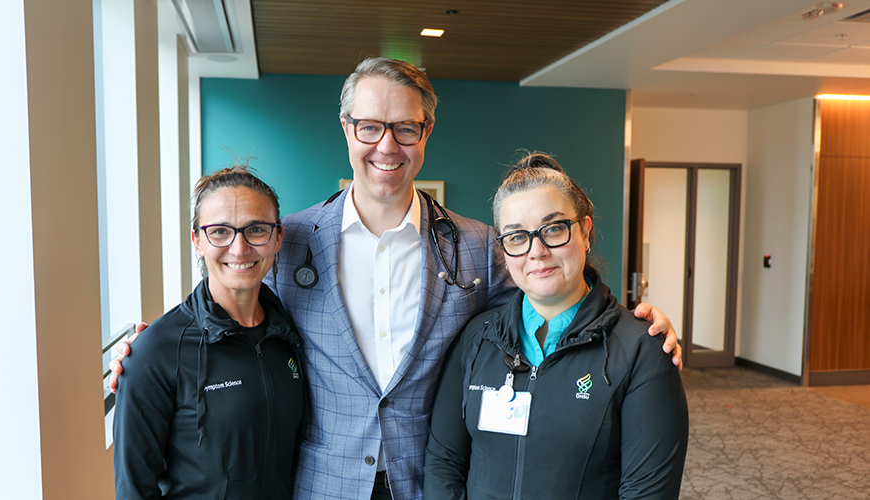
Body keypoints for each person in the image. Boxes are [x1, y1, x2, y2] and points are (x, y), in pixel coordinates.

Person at [111, 58, 681, 500]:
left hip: (425, 479)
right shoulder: (289, 239)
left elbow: (551, 294)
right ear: (346, 129)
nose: (387, 145)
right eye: (369, 126)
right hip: (322, 481)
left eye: (405, 128)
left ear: (426, 133)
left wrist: (635, 325)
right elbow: (231, 291)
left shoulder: (481, 246)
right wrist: (152, 350)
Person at [423, 153, 688, 499]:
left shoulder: (642, 349)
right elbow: (444, 463)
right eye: (517, 237)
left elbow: (646, 493)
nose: (537, 250)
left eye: (553, 229)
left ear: (586, 232)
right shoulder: (477, 338)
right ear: (503, 251)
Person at [113, 167, 306, 499]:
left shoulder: (291, 334)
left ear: (278, 238)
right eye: (219, 232)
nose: (239, 248)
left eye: (256, 229)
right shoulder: (154, 352)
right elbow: (134, 488)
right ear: (197, 241)